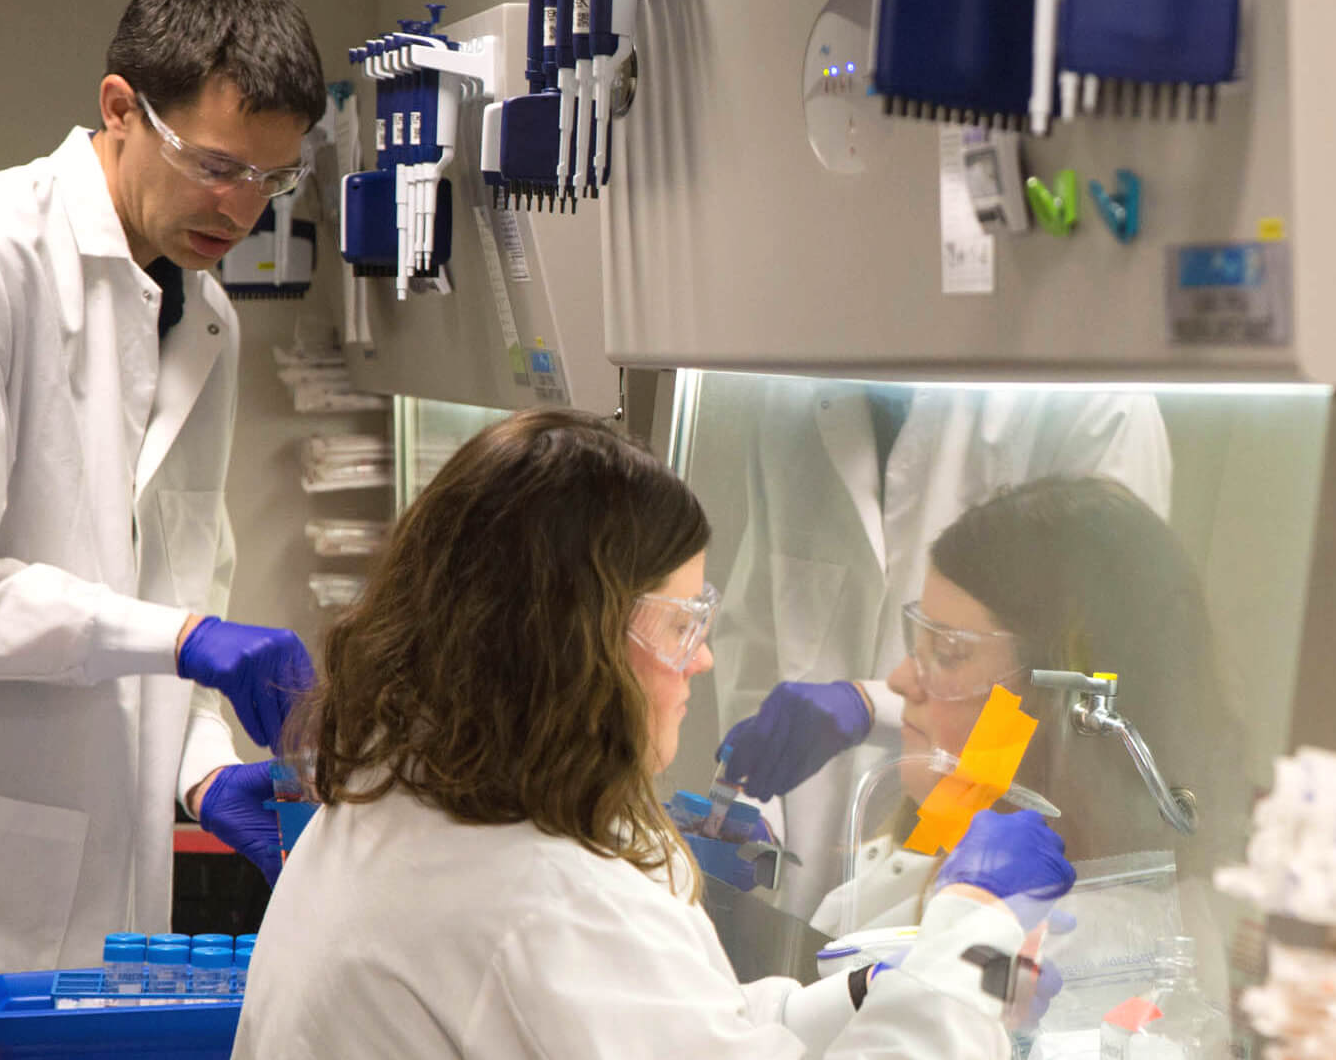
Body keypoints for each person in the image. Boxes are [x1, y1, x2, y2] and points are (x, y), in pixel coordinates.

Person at [236, 408, 1077, 1058]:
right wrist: (973, 934)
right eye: (683, 626)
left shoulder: (401, 801)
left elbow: (686, 1027)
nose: (703, 659)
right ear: (577, 642)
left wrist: (865, 991)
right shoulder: (544, 905)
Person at [0, 0, 324, 1050]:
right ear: (118, 110)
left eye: (272, 182)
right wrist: (183, 640)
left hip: (112, 905)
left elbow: (179, 581)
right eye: (219, 165)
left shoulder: (210, 324)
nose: (242, 209)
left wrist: (200, 774)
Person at [709, 380, 1172, 913]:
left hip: (977, 848)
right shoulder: (791, 381)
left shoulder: (1092, 401)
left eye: (950, 649)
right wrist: (750, 800)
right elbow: (759, 632)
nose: (905, 676)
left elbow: (1091, 671)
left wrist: (870, 703)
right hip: (861, 876)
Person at [809, 477, 1237, 939]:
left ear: (1065, 710)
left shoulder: (1102, 941)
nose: (898, 681)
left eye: (950, 652)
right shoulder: (938, 851)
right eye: (920, 641)